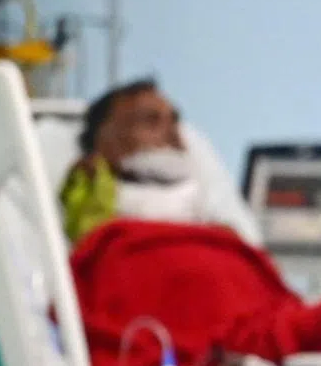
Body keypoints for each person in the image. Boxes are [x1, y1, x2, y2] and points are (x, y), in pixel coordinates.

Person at [59, 78, 259, 244]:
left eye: (174, 121)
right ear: (105, 140)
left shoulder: (213, 218)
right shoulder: (94, 190)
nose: (173, 134)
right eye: (151, 121)